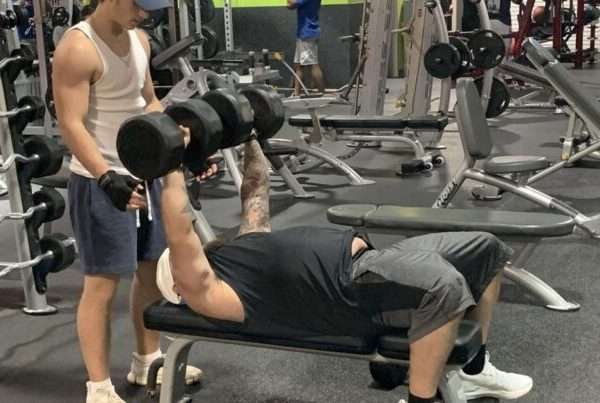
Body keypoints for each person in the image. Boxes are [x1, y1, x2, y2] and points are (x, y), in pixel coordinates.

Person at [155, 135, 534, 403]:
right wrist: (169, 161)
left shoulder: (245, 245)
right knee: (444, 284)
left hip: (374, 260)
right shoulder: (213, 294)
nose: (192, 254)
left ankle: (474, 373)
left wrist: (248, 133)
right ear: (179, 285)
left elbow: (255, 187)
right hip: (350, 289)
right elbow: (180, 230)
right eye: (182, 262)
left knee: (486, 248)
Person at [52, 0, 206, 401]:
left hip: (145, 174)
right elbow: (70, 123)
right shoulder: (78, 47)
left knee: (152, 272)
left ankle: (146, 360)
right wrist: (106, 178)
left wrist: (174, 138)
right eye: (141, 5)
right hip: (99, 183)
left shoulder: (140, 40)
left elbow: (147, 101)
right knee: (101, 285)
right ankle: (99, 387)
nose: (146, 15)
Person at [287, 0, 325, 95]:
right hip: (307, 33)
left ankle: (322, 93)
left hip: (306, 34)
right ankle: (296, 93)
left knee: (313, 64)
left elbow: (290, 5)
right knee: (299, 65)